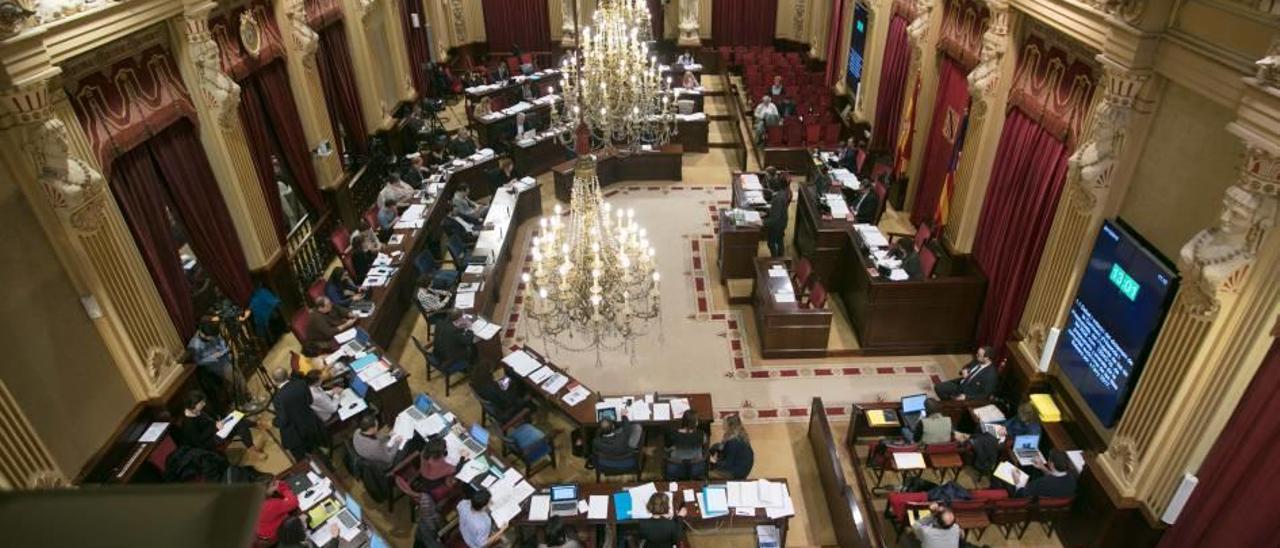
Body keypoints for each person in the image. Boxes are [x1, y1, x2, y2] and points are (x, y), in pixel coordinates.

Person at [175, 390, 265, 459]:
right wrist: (214, 427)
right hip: (211, 440)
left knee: (239, 423)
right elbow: (199, 441)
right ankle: (257, 427)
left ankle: (253, 448)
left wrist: (218, 422)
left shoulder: (198, 410)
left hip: (218, 429)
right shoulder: (188, 424)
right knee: (240, 425)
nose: (204, 404)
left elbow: (211, 419)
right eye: (201, 403)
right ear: (193, 406)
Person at [271, 367, 329, 460]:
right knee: (317, 449)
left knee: (298, 451)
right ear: (288, 375)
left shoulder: (277, 398)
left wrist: (273, 422)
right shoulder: (301, 383)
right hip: (312, 423)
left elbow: (283, 420)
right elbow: (310, 401)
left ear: (274, 381)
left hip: (298, 432)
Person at [187, 319, 249, 405]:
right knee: (237, 378)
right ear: (203, 334)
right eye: (211, 337)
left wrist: (224, 350)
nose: (213, 338)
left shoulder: (213, 332)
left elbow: (221, 342)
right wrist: (212, 357)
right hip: (215, 365)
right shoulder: (195, 345)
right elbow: (198, 361)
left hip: (225, 357)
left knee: (238, 375)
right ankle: (247, 399)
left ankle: (245, 398)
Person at [470, 359, 529, 424]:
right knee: (526, 396)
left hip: (494, 402)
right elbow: (507, 399)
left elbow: (499, 389)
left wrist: (506, 381)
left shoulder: (476, 382)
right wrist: (511, 383)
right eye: (491, 372)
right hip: (504, 410)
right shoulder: (492, 387)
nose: (493, 374)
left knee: (511, 382)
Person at [933, 346, 998, 401]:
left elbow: (985, 395)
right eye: (977, 353)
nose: (976, 355)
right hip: (961, 382)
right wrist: (964, 370)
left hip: (966, 392)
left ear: (987, 358)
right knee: (938, 387)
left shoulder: (991, 375)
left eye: (979, 355)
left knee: (939, 389)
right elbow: (966, 366)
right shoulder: (978, 360)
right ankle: (949, 401)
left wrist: (966, 397)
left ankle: (949, 404)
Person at [709, 414, 754, 480]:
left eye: (724, 422)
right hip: (740, 469)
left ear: (729, 426)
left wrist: (714, 462)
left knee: (707, 474)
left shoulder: (733, 442)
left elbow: (728, 464)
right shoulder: (740, 437)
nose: (722, 424)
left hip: (735, 473)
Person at [664, 410, 706, 479]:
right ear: (696, 422)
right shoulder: (702, 434)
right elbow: (704, 445)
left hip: (676, 467)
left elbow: (666, 449)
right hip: (696, 468)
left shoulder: (673, 434)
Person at [255, 480, 299, 545]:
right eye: (273, 485)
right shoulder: (271, 504)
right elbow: (294, 503)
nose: (275, 487)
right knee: (302, 518)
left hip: (261, 532)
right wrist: (284, 488)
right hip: (273, 536)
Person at [762, 173, 791, 258]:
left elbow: (774, 219)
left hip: (777, 225)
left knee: (771, 243)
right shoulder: (785, 191)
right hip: (783, 221)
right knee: (779, 239)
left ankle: (776, 259)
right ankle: (780, 257)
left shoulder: (778, 199)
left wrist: (762, 222)